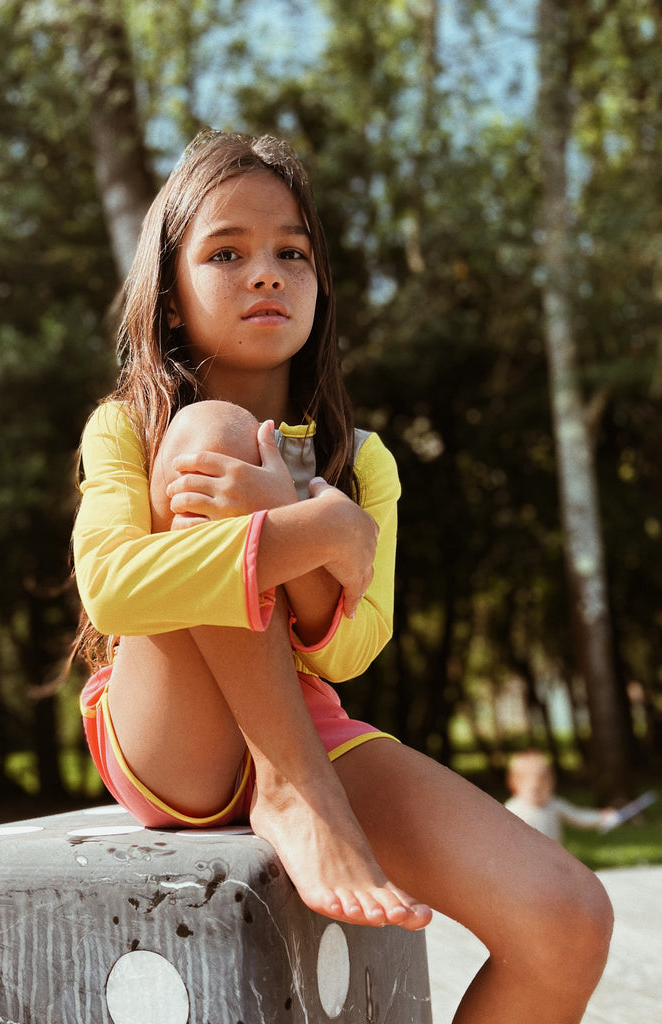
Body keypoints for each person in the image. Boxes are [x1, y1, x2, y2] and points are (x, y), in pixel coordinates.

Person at [71, 129, 612, 1023]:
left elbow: (356, 648)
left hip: (317, 723)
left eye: (293, 252)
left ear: (321, 285)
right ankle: (294, 791)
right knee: (209, 433)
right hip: (177, 733)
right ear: (168, 299)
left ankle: (302, 777)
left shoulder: (363, 461)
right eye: (226, 252)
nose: (266, 272)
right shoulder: (128, 426)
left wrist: (314, 520)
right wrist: (315, 528)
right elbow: (118, 590)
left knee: (568, 917)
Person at [505, 749, 619, 844]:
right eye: (533, 790)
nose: (539, 795)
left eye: (544, 788)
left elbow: (577, 816)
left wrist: (600, 817)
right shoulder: (512, 809)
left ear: (552, 783)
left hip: (553, 857)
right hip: (526, 860)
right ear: (514, 785)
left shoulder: (554, 804)